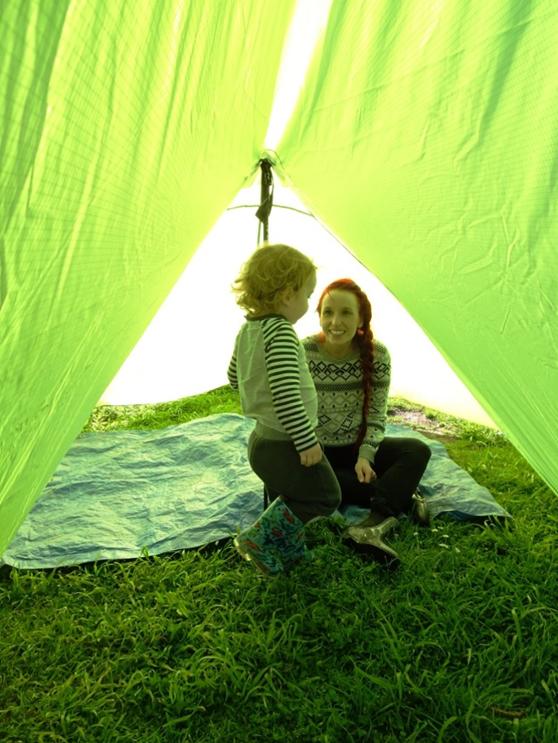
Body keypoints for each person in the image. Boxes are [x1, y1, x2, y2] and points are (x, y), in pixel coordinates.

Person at [227, 244, 341, 576]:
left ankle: (287, 553)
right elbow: (286, 394)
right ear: (287, 295)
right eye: (307, 295)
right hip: (285, 444)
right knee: (325, 495)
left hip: (261, 441)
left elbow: (233, 377)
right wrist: (306, 441)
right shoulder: (281, 333)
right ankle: (258, 539)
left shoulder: (247, 330)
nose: (309, 303)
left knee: (284, 499)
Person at [301, 278, 432, 567]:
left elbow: (376, 415)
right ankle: (402, 496)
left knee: (417, 450)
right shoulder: (303, 352)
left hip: (357, 446)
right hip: (317, 453)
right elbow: (291, 409)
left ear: (361, 319)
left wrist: (366, 455)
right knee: (323, 484)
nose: (335, 322)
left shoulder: (378, 354)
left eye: (346, 312)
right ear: (319, 315)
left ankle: (370, 526)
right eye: (328, 312)